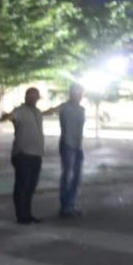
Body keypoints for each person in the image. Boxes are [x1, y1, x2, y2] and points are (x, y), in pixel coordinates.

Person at [4, 87, 60, 224]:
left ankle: (27, 214)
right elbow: (10, 117)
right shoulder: (20, 111)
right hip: (23, 154)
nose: (33, 98)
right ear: (26, 96)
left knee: (31, 186)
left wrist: (56, 109)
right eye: (30, 96)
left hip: (36, 154)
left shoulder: (37, 112)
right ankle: (21, 215)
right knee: (22, 186)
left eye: (35, 96)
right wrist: (6, 116)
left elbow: (47, 112)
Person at [58, 83, 86, 218]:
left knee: (76, 177)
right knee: (67, 176)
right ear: (71, 94)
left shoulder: (81, 110)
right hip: (67, 144)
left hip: (77, 145)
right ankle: (65, 206)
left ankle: (71, 204)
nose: (79, 96)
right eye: (76, 93)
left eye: (80, 93)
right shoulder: (64, 108)